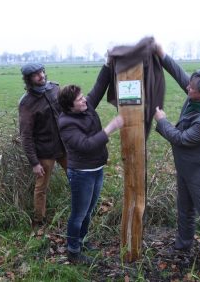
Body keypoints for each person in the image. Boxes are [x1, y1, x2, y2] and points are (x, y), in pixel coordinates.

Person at [153, 42, 200, 280]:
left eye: (192, 88)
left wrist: (162, 120)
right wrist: (161, 53)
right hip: (187, 168)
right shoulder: (199, 95)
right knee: (184, 207)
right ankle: (183, 244)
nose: (187, 87)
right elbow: (180, 75)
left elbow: (181, 139)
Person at [57, 62, 123, 265]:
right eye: (79, 99)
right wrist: (111, 127)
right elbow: (85, 145)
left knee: (90, 209)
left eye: (82, 96)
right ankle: (73, 251)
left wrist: (107, 63)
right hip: (81, 173)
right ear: (70, 106)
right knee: (78, 214)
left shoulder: (86, 107)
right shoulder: (66, 123)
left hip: (96, 169)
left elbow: (100, 86)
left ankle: (82, 240)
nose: (84, 99)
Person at [19, 63, 67, 227]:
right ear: (28, 79)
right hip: (45, 152)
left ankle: (85, 207)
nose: (41, 76)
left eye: (41, 72)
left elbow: (66, 111)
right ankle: (39, 221)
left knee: (78, 177)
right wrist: (34, 162)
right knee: (41, 188)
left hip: (65, 147)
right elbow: (26, 136)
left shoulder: (54, 88)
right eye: (35, 74)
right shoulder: (27, 103)